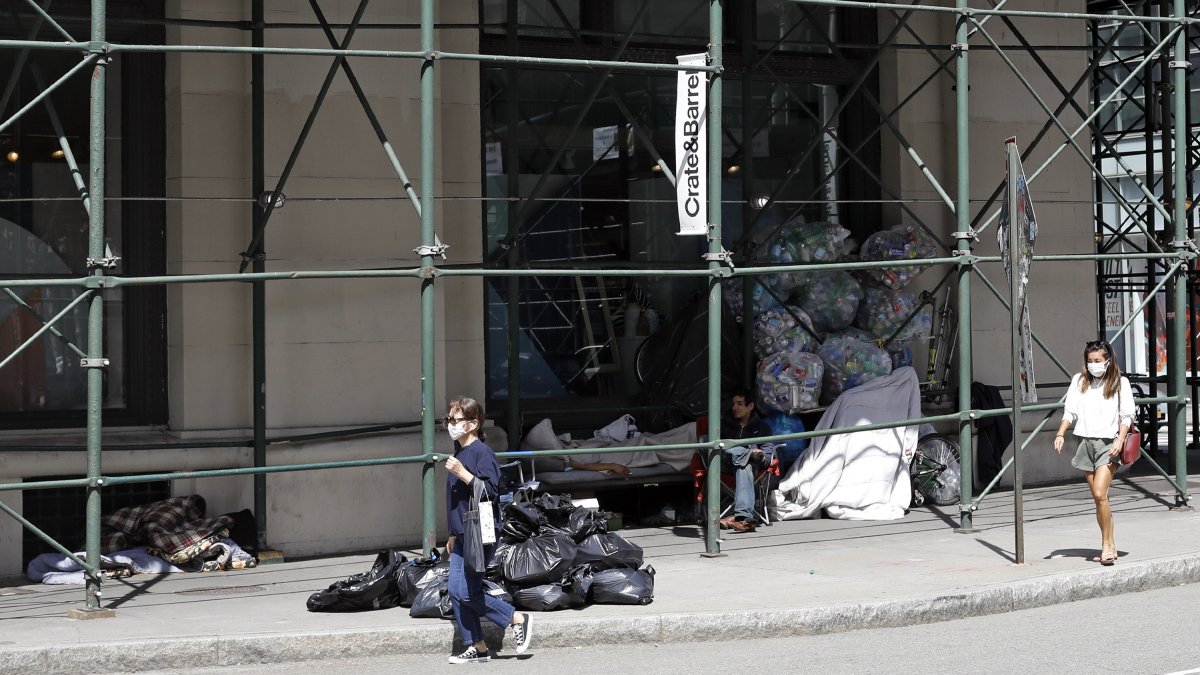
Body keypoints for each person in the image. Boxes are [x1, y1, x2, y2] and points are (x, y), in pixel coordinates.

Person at [443, 396, 533, 664]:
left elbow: (492, 491)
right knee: (456, 591)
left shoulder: (481, 453)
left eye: (455, 419)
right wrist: (450, 533)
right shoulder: (459, 452)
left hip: (479, 531)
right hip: (461, 533)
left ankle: (515, 618)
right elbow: (456, 500)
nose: (450, 424)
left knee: (466, 592)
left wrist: (464, 474)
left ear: (473, 423)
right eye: (448, 419)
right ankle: (477, 646)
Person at [1052, 340, 1134, 566]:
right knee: (1100, 500)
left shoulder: (1120, 382)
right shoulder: (1079, 381)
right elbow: (1070, 411)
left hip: (1109, 443)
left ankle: (1106, 546)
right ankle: (1110, 543)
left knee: (1100, 493)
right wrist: (1060, 433)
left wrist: (1120, 438)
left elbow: (1127, 415)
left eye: (1098, 361)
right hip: (1085, 444)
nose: (1093, 365)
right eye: (1090, 361)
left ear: (1108, 361)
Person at [718, 387, 772, 532]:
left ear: (751, 406)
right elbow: (715, 447)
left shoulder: (762, 428)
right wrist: (750, 453)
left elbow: (768, 457)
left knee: (745, 465)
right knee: (737, 451)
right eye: (734, 403)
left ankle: (743, 519)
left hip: (750, 467)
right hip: (725, 463)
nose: (735, 407)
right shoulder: (723, 425)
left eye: (739, 404)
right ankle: (747, 454)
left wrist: (760, 456)